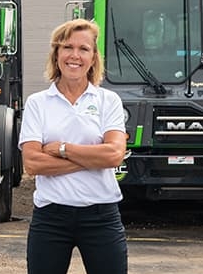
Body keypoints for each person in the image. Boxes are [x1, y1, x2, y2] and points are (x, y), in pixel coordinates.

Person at [19, 19, 129, 274]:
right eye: (67, 47)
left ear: (93, 57)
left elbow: (113, 154)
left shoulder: (108, 101)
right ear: (56, 53)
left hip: (101, 216)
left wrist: (62, 149)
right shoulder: (38, 103)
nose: (75, 56)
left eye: (84, 49)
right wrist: (92, 159)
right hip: (51, 217)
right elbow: (33, 163)